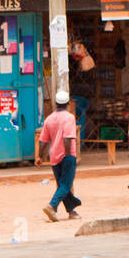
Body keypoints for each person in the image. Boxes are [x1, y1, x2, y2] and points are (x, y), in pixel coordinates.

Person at [36, 90, 82, 222]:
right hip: (66, 155)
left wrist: (39, 157)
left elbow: (43, 140)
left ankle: (71, 211)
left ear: (55, 104)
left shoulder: (49, 119)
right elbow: (67, 138)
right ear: (67, 104)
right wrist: (69, 156)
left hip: (54, 156)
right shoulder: (69, 117)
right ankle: (52, 206)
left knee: (62, 184)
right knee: (66, 184)